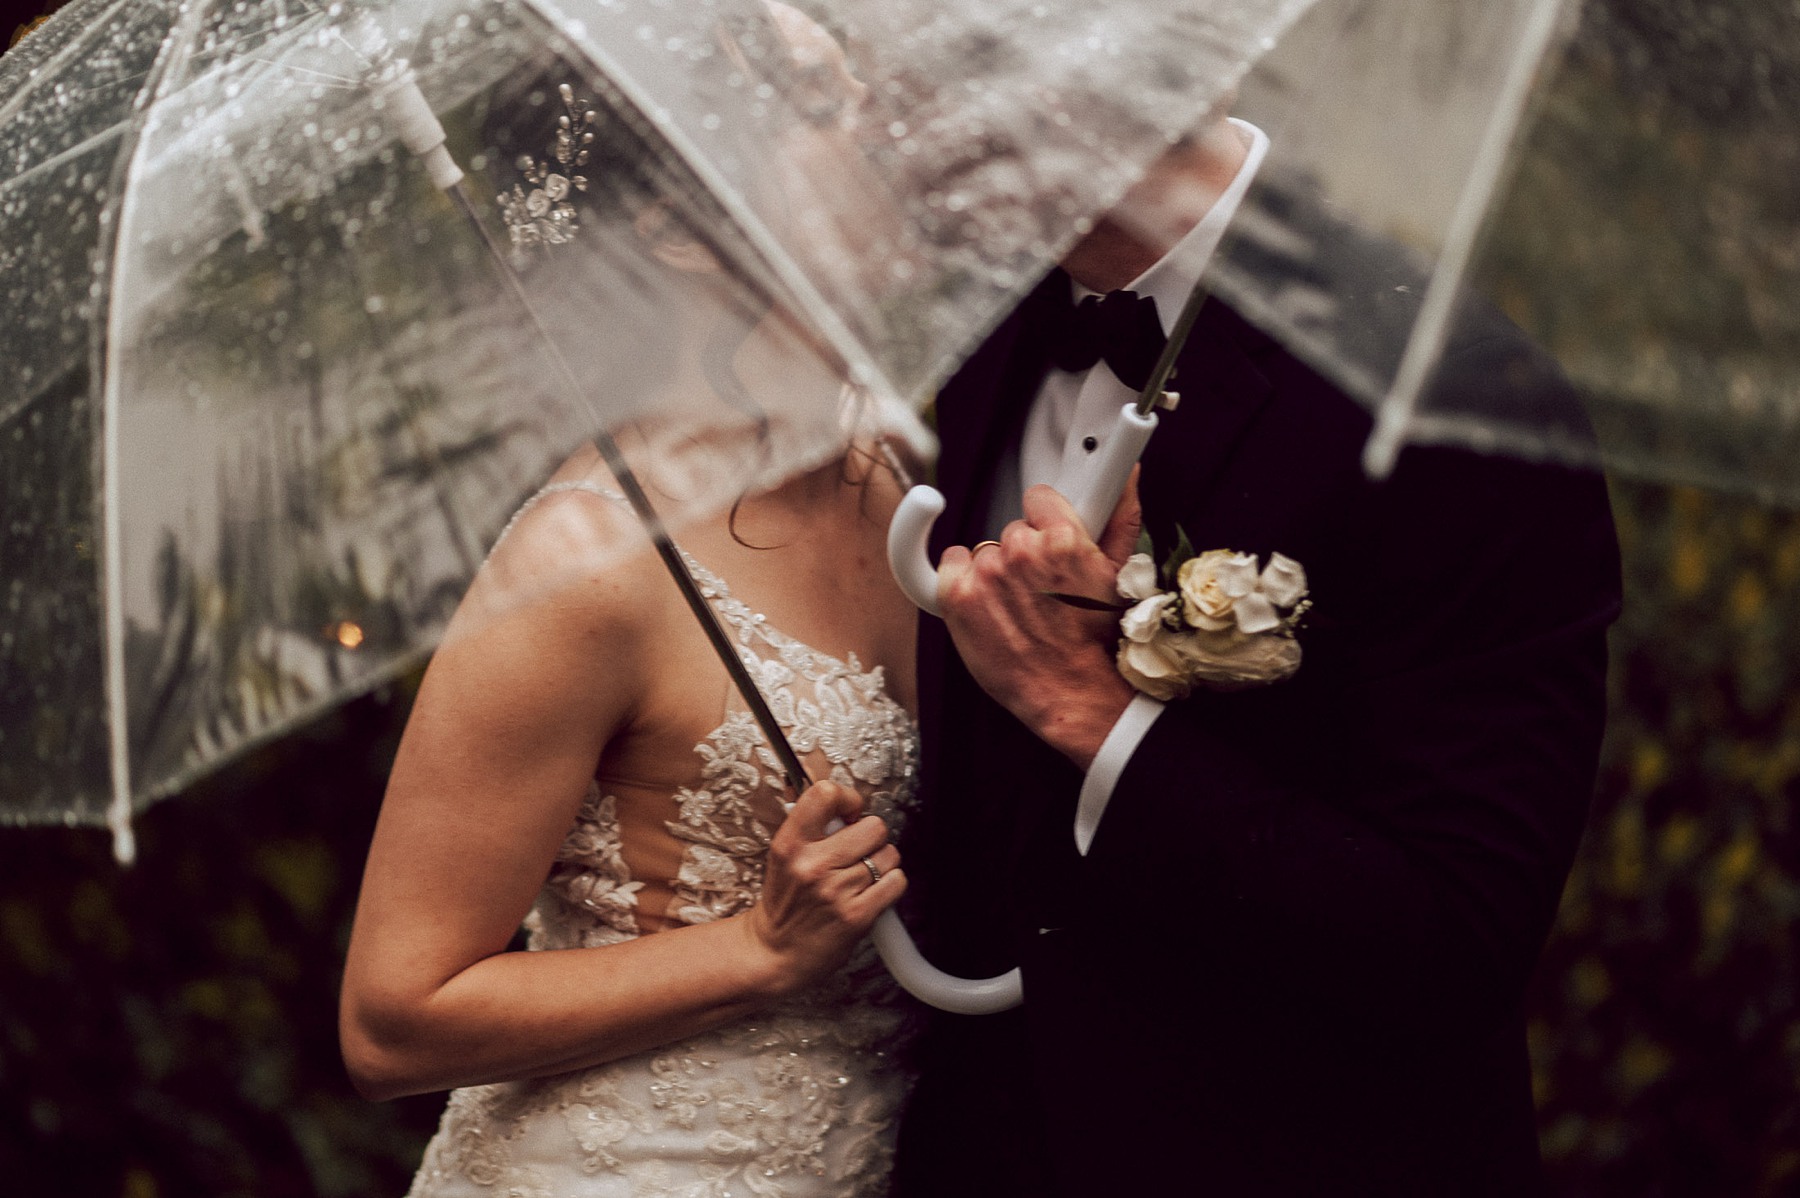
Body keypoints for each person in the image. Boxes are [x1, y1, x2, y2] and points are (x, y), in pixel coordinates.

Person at [892, 111, 1623, 1195]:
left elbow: (1453, 942)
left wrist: (1099, 716)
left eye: (944, 62)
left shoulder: (1456, 390)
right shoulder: (979, 331)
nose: (893, 124)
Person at [340, 9, 933, 1195]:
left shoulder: (898, 457)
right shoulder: (588, 560)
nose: (885, 121)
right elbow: (395, 1018)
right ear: (677, 221)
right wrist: (757, 951)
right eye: (822, 106)